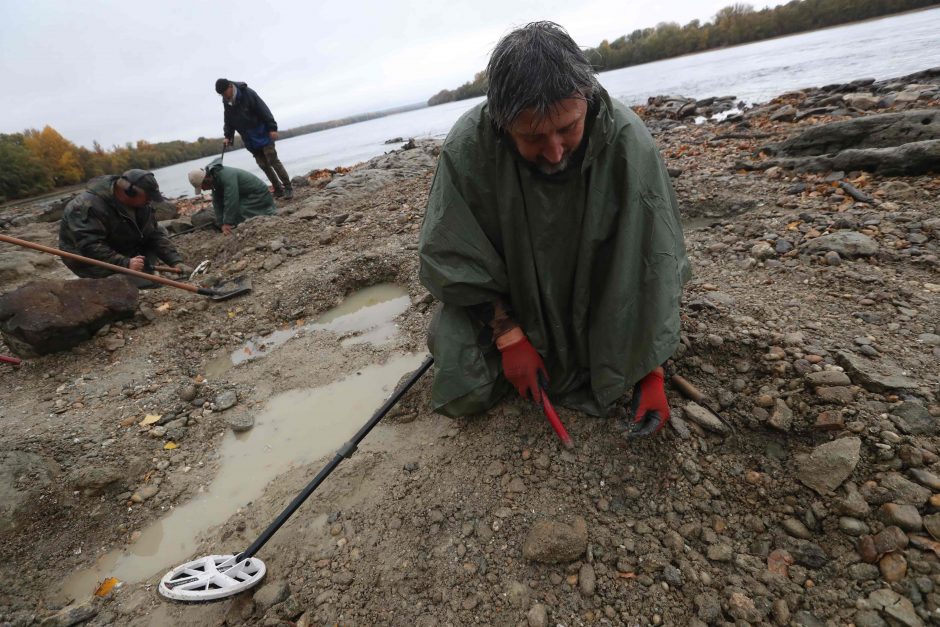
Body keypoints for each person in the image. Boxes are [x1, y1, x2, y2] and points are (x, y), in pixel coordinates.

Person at [418, 22, 691, 436]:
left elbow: (652, 260)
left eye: (567, 128)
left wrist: (650, 371)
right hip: (515, 300)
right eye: (532, 136)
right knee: (461, 379)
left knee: (625, 357)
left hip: (602, 297)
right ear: (501, 120)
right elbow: (453, 253)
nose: (555, 151)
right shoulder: (468, 146)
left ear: (586, 97)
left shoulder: (627, 140)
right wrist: (507, 335)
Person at [59, 169, 189, 286]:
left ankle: (143, 270)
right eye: (148, 197)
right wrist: (125, 263)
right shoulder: (87, 206)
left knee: (160, 229)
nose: (150, 201)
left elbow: (154, 234)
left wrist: (175, 261)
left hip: (120, 247)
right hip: (89, 260)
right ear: (130, 192)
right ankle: (113, 278)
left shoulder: (143, 205)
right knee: (150, 284)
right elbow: (90, 246)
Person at [215, 78, 293, 199]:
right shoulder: (226, 102)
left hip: (263, 132)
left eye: (225, 93)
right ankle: (278, 189)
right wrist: (227, 136)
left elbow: (263, 109)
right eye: (221, 95)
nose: (224, 96)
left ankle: (288, 187)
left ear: (230, 86)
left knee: (272, 160)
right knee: (263, 164)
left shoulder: (248, 93)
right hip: (249, 138)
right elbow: (229, 121)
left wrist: (272, 128)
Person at [188, 158, 276, 235]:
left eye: (202, 187)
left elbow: (231, 199)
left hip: (258, 194)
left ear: (206, 180)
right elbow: (217, 203)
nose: (203, 190)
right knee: (232, 215)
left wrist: (227, 223)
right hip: (245, 195)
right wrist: (221, 224)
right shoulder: (214, 179)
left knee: (238, 212)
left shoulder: (226, 176)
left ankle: (268, 213)